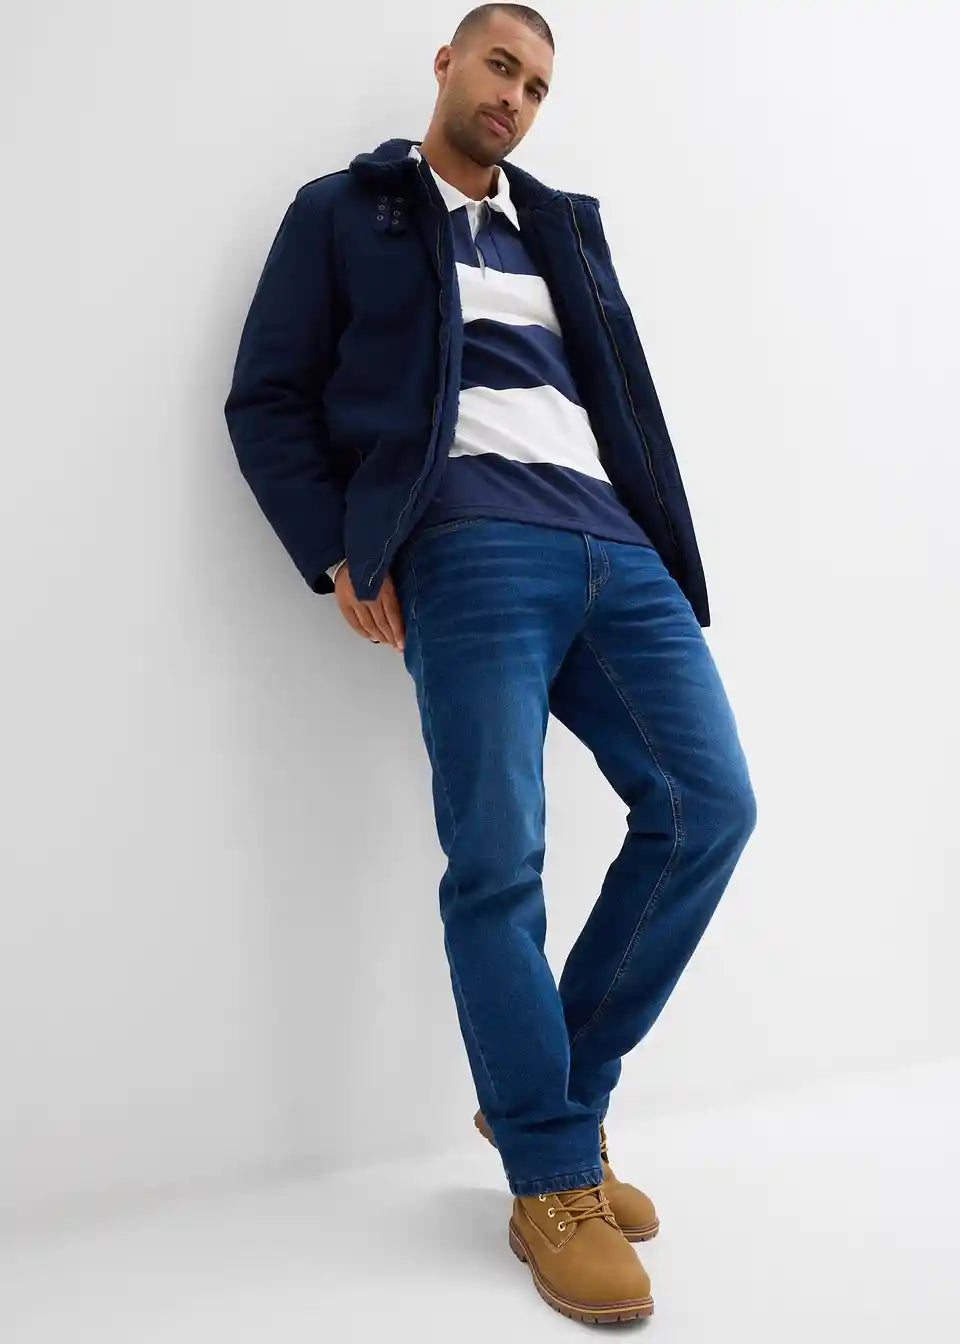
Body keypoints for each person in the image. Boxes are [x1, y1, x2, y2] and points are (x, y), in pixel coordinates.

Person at [224, 3, 757, 1323]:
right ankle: (552, 1180)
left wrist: (656, 533)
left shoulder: (562, 226)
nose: (514, 96)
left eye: (536, 85)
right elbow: (267, 396)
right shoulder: (348, 212)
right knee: (500, 858)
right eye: (500, 66)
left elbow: (618, 400)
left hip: (613, 545)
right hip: (468, 547)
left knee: (708, 808)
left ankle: (556, 1101)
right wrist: (336, 548)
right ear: (448, 63)